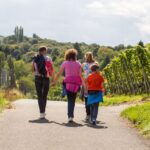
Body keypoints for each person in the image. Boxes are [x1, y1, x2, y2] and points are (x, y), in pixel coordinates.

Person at [54, 49, 84, 123]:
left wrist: (54, 81)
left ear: (67, 55)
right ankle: (71, 116)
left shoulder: (65, 63)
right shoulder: (78, 64)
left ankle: (70, 116)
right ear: (75, 56)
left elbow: (59, 74)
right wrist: (84, 84)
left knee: (69, 100)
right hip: (76, 84)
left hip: (68, 83)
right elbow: (80, 75)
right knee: (73, 100)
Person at [32, 46, 55, 119]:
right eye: (46, 50)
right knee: (44, 95)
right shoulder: (48, 58)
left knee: (39, 95)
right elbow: (52, 69)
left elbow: (32, 69)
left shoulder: (35, 58)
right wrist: (53, 79)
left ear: (39, 51)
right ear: (44, 51)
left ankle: (41, 113)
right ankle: (43, 111)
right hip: (46, 78)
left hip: (37, 77)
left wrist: (37, 71)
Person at [82, 52, 96, 121]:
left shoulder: (84, 64)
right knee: (93, 98)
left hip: (86, 82)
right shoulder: (95, 64)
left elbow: (82, 74)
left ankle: (88, 115)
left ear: (85, 57)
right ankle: (93, 114)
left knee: (87, 99)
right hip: (94, 83)